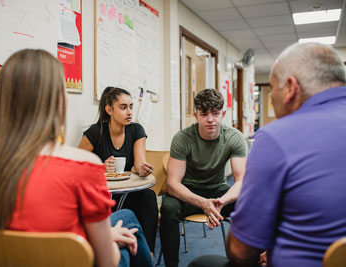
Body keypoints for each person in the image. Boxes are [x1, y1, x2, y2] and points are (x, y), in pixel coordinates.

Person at [0, 49, 153, 267]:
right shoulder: (84, 166)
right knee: (128, 219)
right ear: (57, 101)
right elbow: (108, 262)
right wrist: (104, 239)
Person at [189, 42, 346, 267]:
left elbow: (241, 251)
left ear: (290, 88)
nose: (271, 99)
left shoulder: (277, 137)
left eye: (272, 89)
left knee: (203, 263)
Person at [160, 89, 247, 267]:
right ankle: (171, 264)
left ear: (222, 114)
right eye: (204, 114)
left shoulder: (234, 137)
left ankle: (243, 262)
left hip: (219, 192)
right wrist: (202, 203)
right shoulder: (182, 138)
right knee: (168, 207)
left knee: (248, 202)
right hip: (188, 193)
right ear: (196, 115)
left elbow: (241, 182)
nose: (210, 119)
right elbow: (172, 184)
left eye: (215, 114)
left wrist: (222, 201)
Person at [78, 87, 158, 257]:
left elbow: (138, 161)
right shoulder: (95, 132)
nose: (129, 112)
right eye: (123, 107)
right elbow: (77, 166)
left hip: (126, 192)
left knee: (148, 196)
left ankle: (149, 253)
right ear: (109, 110)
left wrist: (142, 168)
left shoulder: (136, 130)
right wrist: (100, 167)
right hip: (102, 193)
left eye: (131, 106)